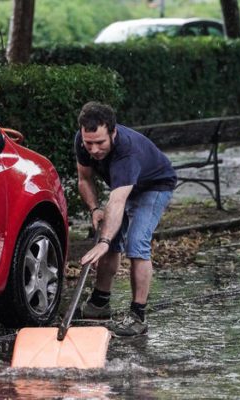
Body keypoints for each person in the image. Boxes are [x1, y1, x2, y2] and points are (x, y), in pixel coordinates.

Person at [75, 102, 176, 336]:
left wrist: (104, 240)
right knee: (111, 241)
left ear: (113, 132)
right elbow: (84, 179)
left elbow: (118, 201)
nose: (94, 149)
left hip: (154, 185)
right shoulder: (83, 140)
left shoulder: (126, 151)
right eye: (89, 143)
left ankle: (137, 316)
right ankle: (99, 304)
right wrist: (94, 209)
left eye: (100, 143)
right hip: (123, 186)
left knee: (136, 243)